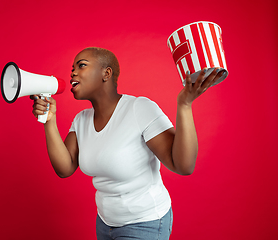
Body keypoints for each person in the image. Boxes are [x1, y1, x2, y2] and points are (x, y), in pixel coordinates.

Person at [30, 47, 226, 240]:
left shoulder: (138, 108)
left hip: (145, 223)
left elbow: (183, 166)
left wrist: (184, 105)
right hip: (105, 223)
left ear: (106, 73)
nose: (72, 72)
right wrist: (49, 121)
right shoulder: (81, 120)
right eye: (72, 67)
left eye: (81, 65)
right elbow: (65, 168)